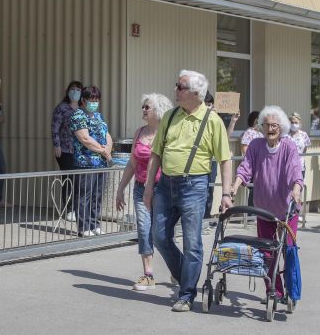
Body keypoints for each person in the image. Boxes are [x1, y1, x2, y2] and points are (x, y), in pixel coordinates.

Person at [144, 70, 233, 312]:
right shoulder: (171, 116)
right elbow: (156, 154)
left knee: (192, 242)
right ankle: (187, 276)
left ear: (196, 93)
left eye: (180, 87)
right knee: (159, 237)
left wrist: (226, 194)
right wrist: (149, 187)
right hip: (166, 185)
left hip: (194, 186)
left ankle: (186, 294)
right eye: (177, 86)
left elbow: (225, 160)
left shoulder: (212, 121)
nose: (176, 90)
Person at [232, 105, 303, 304]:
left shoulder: (289, 146)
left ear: (282, 127)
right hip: (264, 209)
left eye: (274, 125)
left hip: (286, 209)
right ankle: (274, 290)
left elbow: (295, 171)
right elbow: (245, 168)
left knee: (288, 250)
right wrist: (235, 186)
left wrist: (296, 189)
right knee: (266, 253)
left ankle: (291, 289)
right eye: (267, 125)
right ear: (261, 127)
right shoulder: (255, 145)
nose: (270, 128)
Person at [115, 93, 173, 291]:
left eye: (147, 107)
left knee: (162, 234)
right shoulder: (140, 132)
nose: (144, 110)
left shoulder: (168, 133)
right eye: (143, 107)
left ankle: (175, 267)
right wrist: (121, 188)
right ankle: (148, 274)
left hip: (163, 189)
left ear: (158, 110)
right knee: (143, 228)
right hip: (140, 188)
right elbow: (132, 163)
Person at [69, 86, 113, 237]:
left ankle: (95, 224)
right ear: (83, 100)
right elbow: (85, 139)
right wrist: (103, 151)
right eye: (91, 100)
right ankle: (83, 227)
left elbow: (107, 134)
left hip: (101, 163)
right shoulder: (78, 116)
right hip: (85, 163)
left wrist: (108, 148)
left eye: (96, 100)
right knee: (84, 196)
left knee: (97, 195)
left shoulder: (99, 116)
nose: (94, 103)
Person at [204, 91, 239, 219]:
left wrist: (233, 121)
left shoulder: (216, 120)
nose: (208, 106)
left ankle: (206, 217)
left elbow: (225, 137)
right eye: (206, 104)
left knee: (209, 189)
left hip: (211, 161)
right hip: (196, 162)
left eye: (210, 104)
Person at [52, 81, 83, 220]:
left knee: (79, 180)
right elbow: (55, 127)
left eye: (78, 89)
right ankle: (69, 209)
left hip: (80, 151)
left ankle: (78, 208)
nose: (75, 92)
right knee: (69, 179)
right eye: (72, 89)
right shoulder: (62, 108)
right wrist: (56, 145)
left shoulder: (82, 108)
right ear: (67, 91)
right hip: (65, 150)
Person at [287, 112, 311, 179]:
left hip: (301, 166)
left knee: (299, 186)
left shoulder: (304, 135)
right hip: (288, 167)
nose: (294, 124)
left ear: (299, 123)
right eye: (292, 122)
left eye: (296, 123)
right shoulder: (285, 136)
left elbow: (305, 149)